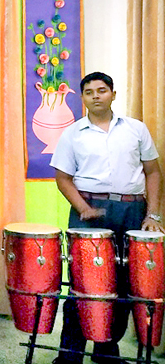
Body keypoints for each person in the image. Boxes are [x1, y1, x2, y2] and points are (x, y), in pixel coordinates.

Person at [50, 72, 164, 364]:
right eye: (89, 92)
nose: (96, 95)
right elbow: (63, 178)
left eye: (102, 90)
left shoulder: (136, 129)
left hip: (131, 211)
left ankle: (106, 353)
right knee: (82, 284)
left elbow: (152, 171)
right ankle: (70, 355)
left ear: (113, 94)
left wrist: (152, 214)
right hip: (89, 211)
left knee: (124, 285)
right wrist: (82, 207)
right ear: (84, 98)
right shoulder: (72, 133)